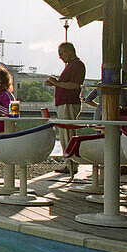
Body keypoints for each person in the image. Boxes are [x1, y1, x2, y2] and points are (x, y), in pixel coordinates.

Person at [45, 42, 85, 172]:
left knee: (67, 134)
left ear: (69, 52)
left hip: (69, 103)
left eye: (61, 54)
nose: (60, 57)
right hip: (64, 103)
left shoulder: (77, 65)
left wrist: (57, 83)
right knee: (64, 134)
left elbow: (74, 85)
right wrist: (56, 83)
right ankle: (69, 163)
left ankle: (71, 164)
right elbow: (67, 84)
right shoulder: (71, 66)